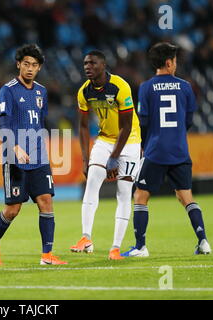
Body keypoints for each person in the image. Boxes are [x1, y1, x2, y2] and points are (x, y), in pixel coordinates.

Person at [122, 42, 211, 257]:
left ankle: (141, 246)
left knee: (141, 196)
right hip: (180, 150)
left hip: (156, 150)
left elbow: (143, 121)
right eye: (175, 61)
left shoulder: (146, 87)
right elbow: (188, 120)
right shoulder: (186, 87)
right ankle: (203, 241)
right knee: (186, 197)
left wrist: (146, 143)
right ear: (169, 62)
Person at [0, 44, 67, 266]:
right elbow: (4, 123)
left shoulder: (41, 91)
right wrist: (15, 148)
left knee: (46, 202)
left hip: (39, 156)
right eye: (26, 64)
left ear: (39, 67)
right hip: (15, 158)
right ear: (18, 64)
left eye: (34, 65)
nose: (30, 69)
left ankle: (47, 255)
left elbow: (40, 122)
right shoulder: (8, 90)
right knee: (13, 209)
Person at [70, 50, 141, 260]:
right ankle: (86, 237)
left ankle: (115, 248)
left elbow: (127, 127)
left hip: (129, 142)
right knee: (92, 180)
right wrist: (85, 159)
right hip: (104, 139)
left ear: (103, 65)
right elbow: (82, 127)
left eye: (92, 63)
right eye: (85, 63)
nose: (87, 67)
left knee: (123, 190)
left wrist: (114, 158)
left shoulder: (120, 87)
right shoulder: (84, 92)